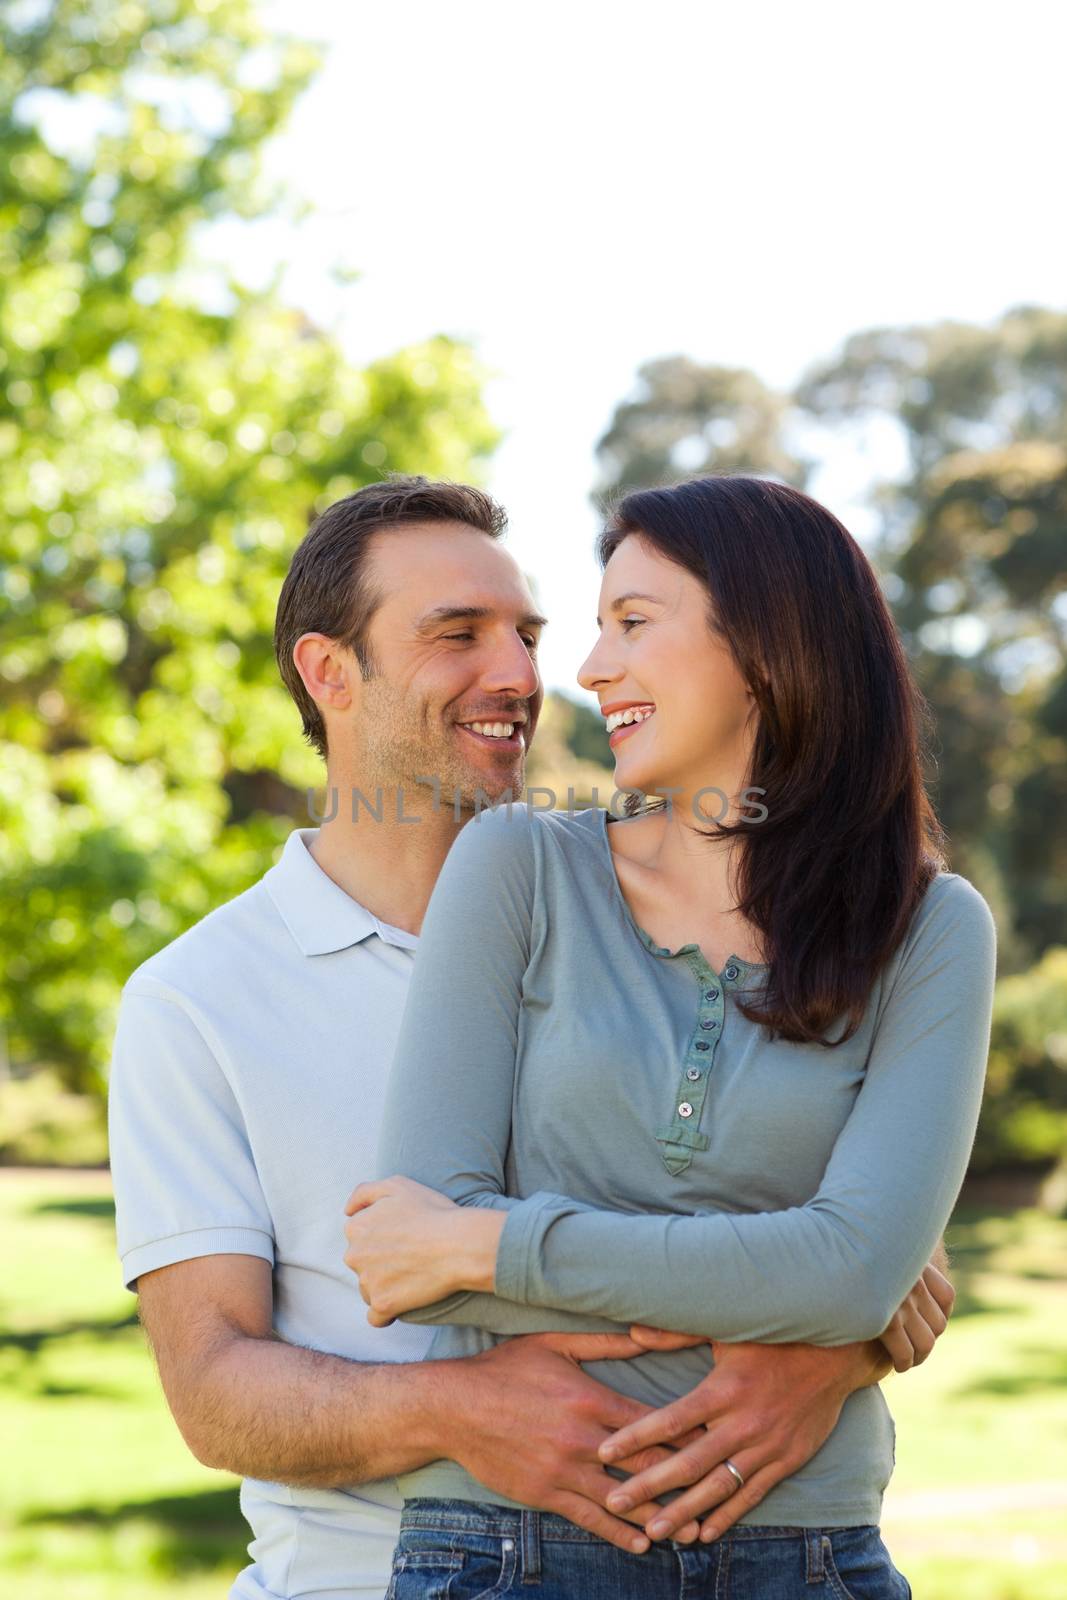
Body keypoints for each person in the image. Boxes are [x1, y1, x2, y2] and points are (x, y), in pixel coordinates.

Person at [109, 475, 951, 1600]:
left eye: (527, 634)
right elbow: (212, 1388)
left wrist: (830, 1330)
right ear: (328, 673)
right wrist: (459, 1406)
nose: (522, 676)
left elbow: (861, 1260)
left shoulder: (631, 902)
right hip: (388, 1570)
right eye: (457, 635)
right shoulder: (197, 1000)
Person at [343, 475, 997, 1599]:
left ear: (766, 646)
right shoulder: (519, 865)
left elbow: (851, 1272)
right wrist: (795, 1287)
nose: (589, 670)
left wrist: (496, 1247)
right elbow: (411, 1259)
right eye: (596, 629)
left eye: (631, 623)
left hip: (808, 1557)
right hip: (509, 1554)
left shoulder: (930, 928)